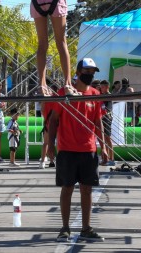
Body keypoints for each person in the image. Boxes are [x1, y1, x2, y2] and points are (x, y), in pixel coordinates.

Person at [46, 58, 105, 242]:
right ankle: (65, 227)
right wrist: (50, 146)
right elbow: (53, 120)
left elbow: (98, 122)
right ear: (78, 72)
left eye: (92, 72)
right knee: (67, 188)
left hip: (88, 149)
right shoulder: (64, 93)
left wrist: (103, 146)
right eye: (87, 71)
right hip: (67, 149)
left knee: (87, 190)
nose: (90, 75)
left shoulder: (95, 94)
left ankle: (86, 228)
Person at [98, 80, 115, 166]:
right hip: (102, 118)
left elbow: (108, 109)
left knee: (108, 138)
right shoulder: (101, 95)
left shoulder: (108, 96)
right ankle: (106, 158)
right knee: (103, 138)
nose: (101, 89)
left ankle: (112, 158)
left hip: (107, 118)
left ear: (107, 87)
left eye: (103, 87)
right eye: (101, 87)